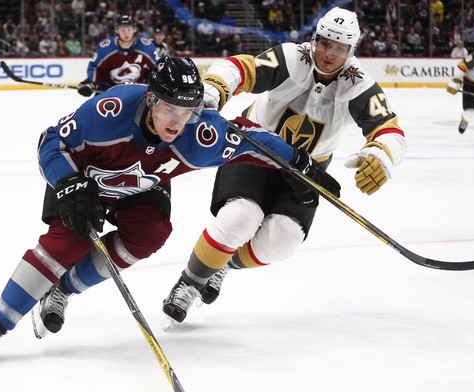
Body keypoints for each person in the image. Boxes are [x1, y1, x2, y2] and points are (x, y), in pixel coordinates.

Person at [0, 56, 340, 367]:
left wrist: (301, 165)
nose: (177, 121)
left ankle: (64, 289)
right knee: (64, 245)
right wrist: (68, 184)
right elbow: (51, 142)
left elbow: (253, 139)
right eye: (170, 109)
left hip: (141, 187)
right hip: (83, 184)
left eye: (187, 111)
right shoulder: (109, 111)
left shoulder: (200, 134)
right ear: (152, 99)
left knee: (152, 232)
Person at [160, 6, 407, 326]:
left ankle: (222, 265)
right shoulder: (293, 58)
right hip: (255, 148)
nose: (329, 53)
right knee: (240, 216)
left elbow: (389, 129)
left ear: (351, 50)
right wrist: (215, 87)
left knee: (282, 240)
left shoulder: (358, 84)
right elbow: (242, 68)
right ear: (314, 39)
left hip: (307, 168)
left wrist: (382, 154)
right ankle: (190, 283)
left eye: (340, 47)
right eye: (324, 43)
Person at [77, 15, 157, 97]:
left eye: (129, 29)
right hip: (109, 91)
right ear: (117, 30)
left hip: (136, 91)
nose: (126, 33)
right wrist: (90, 83)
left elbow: (157, 68)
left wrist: (155, 82)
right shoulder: (106, 47)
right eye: (123, 30)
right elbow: (95, 68)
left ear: (134, 30)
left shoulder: (145, 47)